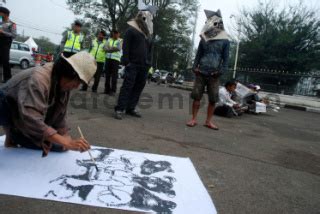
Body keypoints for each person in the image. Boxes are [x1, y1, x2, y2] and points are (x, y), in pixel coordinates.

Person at [0, 51, 96, 157]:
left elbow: (60, 115)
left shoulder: (63, 83)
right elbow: (31, 119)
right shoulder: (39, 79)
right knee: (59, 143)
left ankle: (16, 136)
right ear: (70, 73)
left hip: (22, 117)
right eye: (78, 82)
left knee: (60, 147)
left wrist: (66, 137)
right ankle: (12, 135)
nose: (77, 86)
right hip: (9, 109)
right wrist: (65, 142)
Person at [187, 9, 230, 130]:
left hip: (214, 74)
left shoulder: (225, 41)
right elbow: (198, 54)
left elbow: (226, 60)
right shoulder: (204, 39)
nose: (208, 23)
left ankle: (208, 121)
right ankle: (193, 119)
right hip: (201, 72)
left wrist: (220, 71)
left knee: (213, 99)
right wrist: (195, 67)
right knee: (196, 97)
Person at [114, 5, 158, 120]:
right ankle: (120, 108)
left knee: (138, 87)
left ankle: (131, 108)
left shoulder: (148, 35)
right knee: (127, 86)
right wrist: (126, 62)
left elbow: (150, 50)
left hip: (144, 66)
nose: (148, 19)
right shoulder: (131, 30)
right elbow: (126, 47)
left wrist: (149, 63)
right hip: (132, 64)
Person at [0, 6, 16, 83]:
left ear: (5, 14)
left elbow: (13, 35)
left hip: (5, 43)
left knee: (5, 60)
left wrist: (3, 32)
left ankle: (8, 78)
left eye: (0, 13)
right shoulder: (0, 22)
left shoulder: (12, 24)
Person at [104, 29, 122, 96]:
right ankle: (106, 90)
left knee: (114, 76)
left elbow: (118, 48)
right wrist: (112, 48)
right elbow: (105, 48)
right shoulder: (109, 40)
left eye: (117, 33)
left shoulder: (120, 40)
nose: (115, 34)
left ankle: (113, 90)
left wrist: (109, 48)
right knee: (107, 75)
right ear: (112, 34)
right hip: (108, 59)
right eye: (114, 33)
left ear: (119, 34)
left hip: (116, 60)